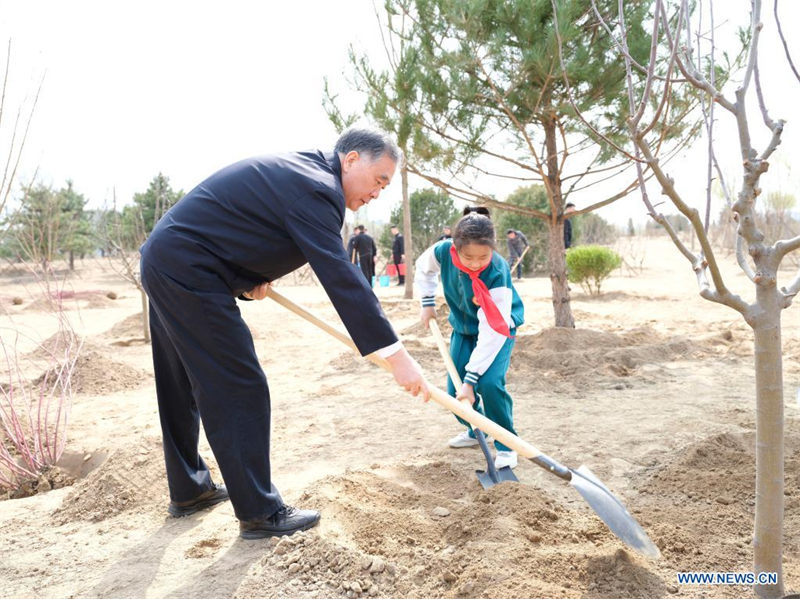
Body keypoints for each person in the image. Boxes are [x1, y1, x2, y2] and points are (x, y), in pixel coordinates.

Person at [139, 127, 429, 540]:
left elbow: (243, 227)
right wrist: (397, 356)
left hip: (169, 259)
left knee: (180, 381)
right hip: (188, 270)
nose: (377, 193)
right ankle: (260, 513)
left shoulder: (305, 175)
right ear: (350, 161)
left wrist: (246, 278)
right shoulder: (317, 188)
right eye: (379, 180)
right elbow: (341, 277)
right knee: (239, 385)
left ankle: (189, 489)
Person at [415, 212, 525, 469]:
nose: (476, 264)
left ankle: (506, 443)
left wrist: (471, 379)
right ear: (455, 247)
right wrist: (427, 302)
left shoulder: (497, 273)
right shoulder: (443, 251)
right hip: (464, 328)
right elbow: (424, 268)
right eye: (468, 257)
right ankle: (477, 429)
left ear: (493, 250)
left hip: (498, 330)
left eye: (483, 257)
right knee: (455, 392)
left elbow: (492, 331)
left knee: (488, 383)